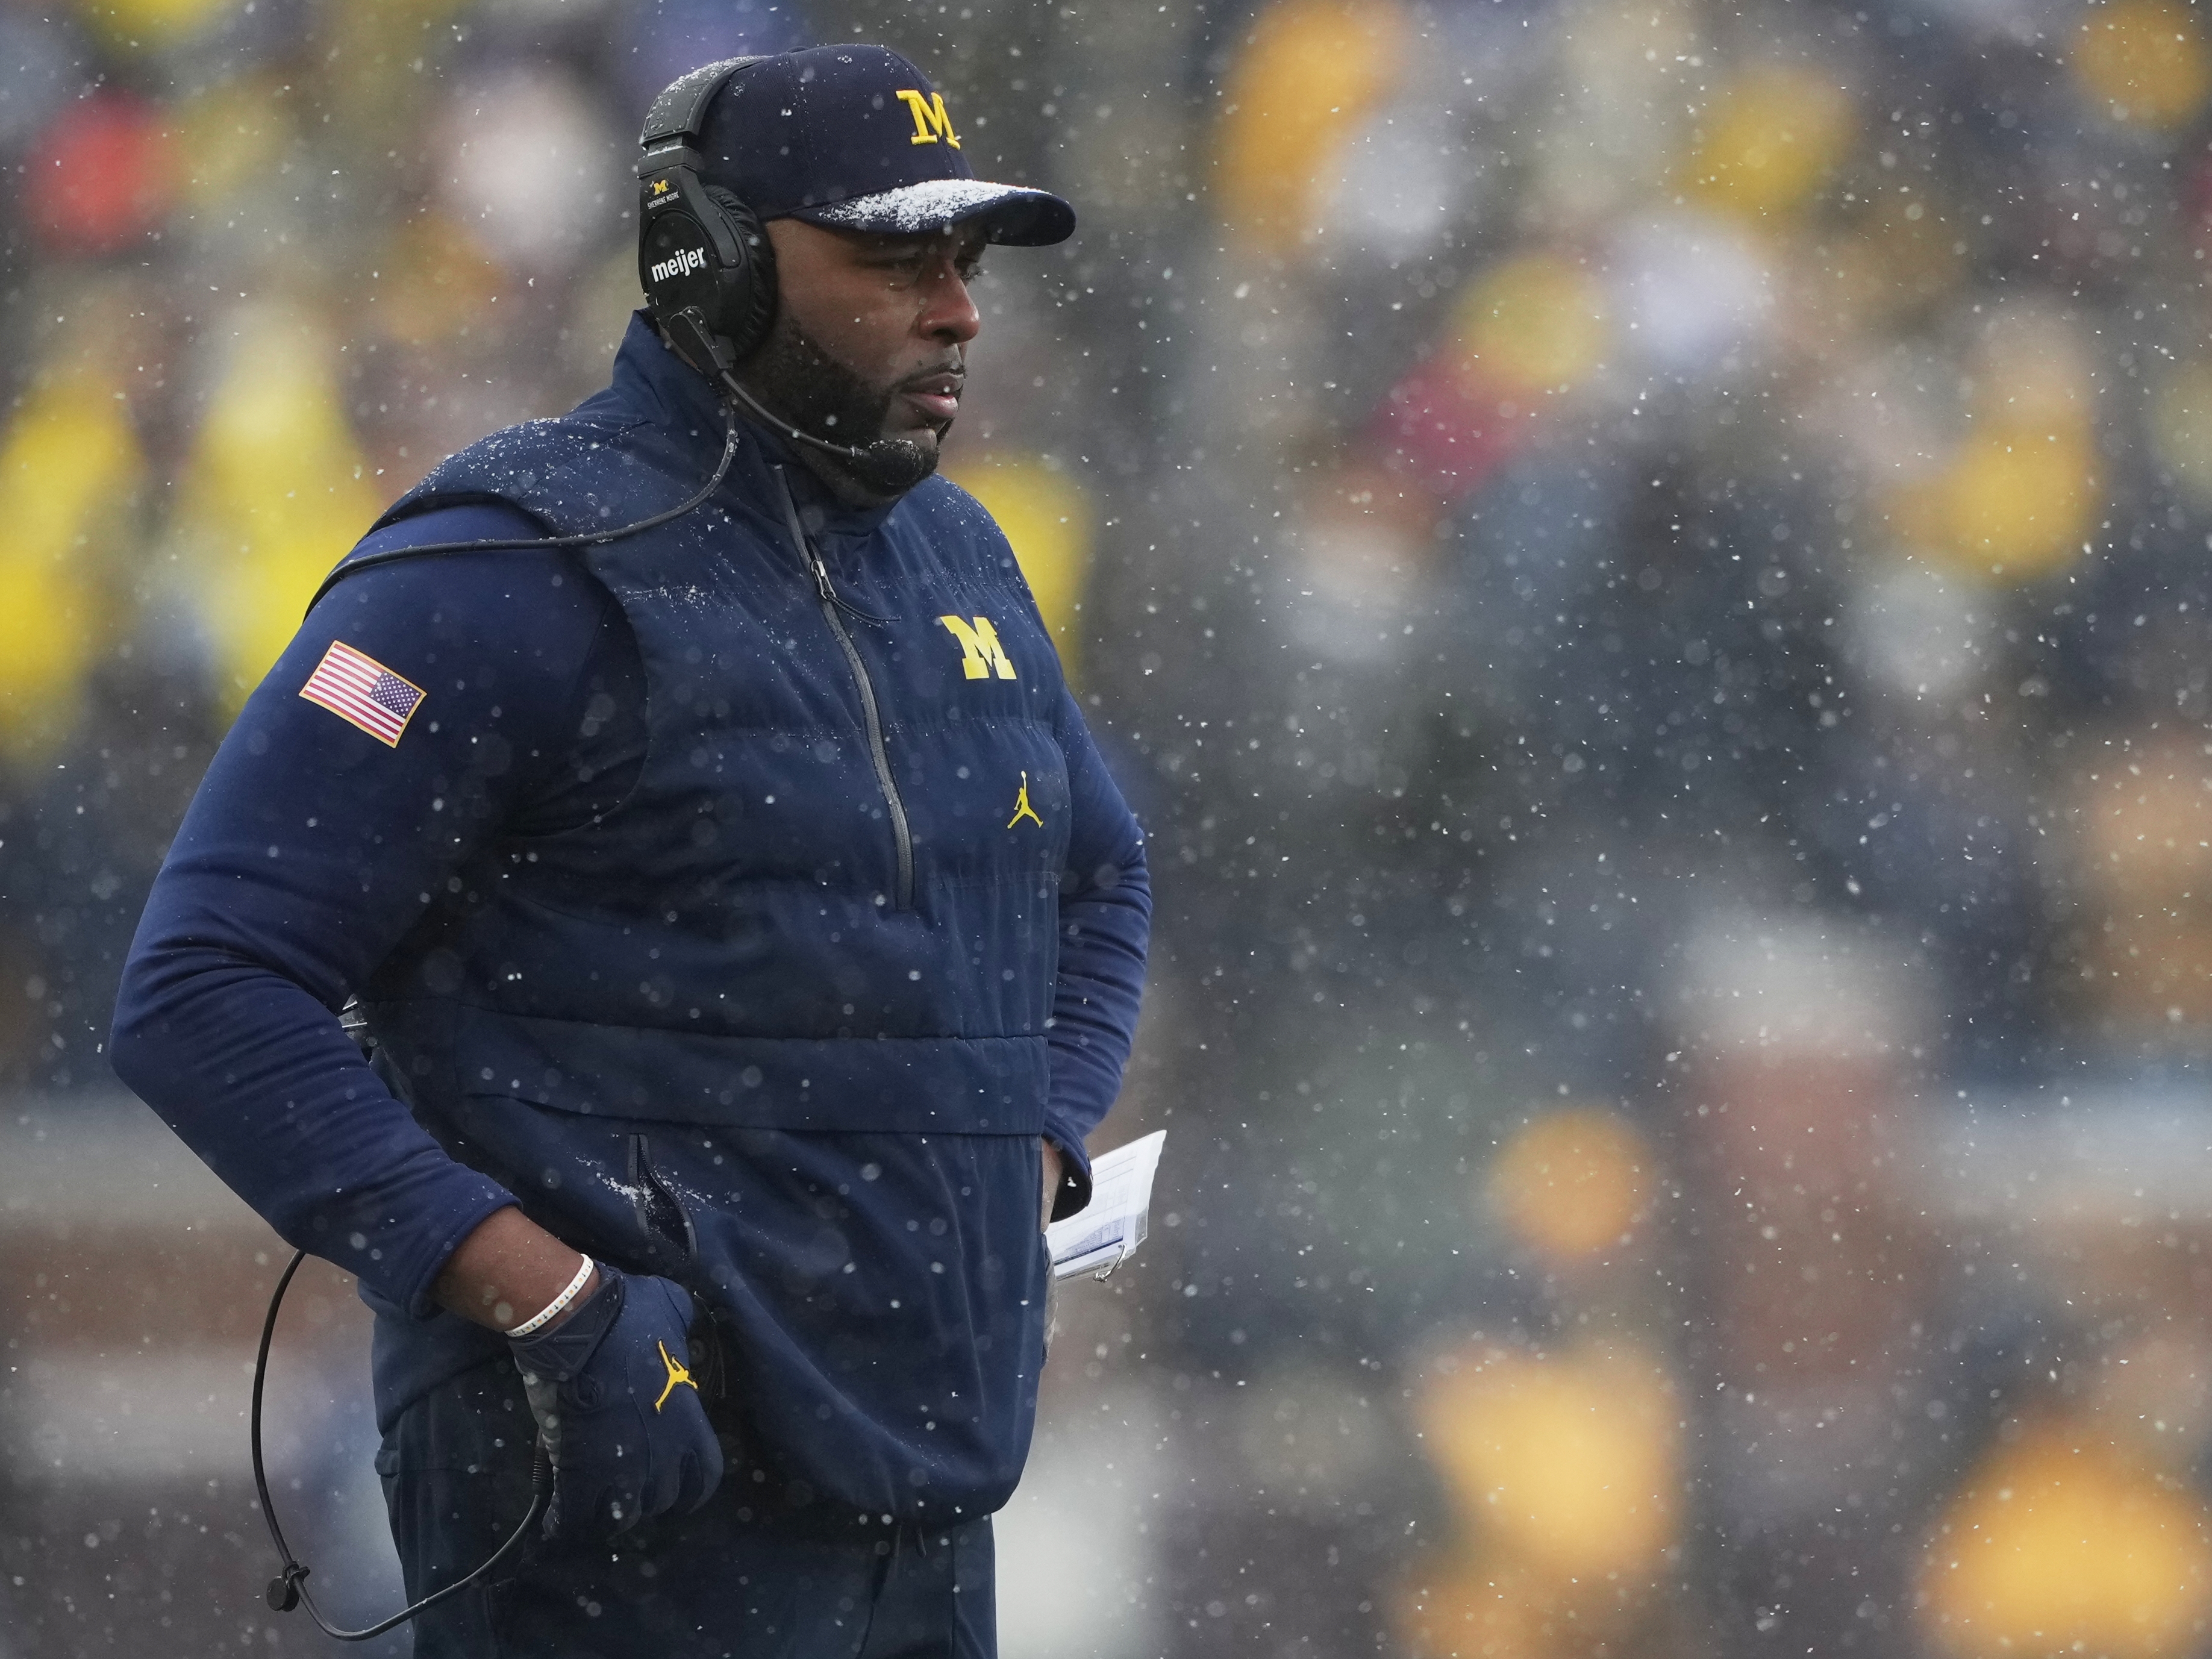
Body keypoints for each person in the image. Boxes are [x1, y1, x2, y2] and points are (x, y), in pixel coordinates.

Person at [110, 43, 1149, 1659]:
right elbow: (201, 986)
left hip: (918, 1482)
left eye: (966, 263)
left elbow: (1098, 876)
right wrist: (542, 1292)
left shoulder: (957, 548)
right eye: (894, 260)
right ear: (716, 262)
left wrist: (1034, 1136)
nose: (956, 310)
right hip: (614, 1503)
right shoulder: (502, 566)